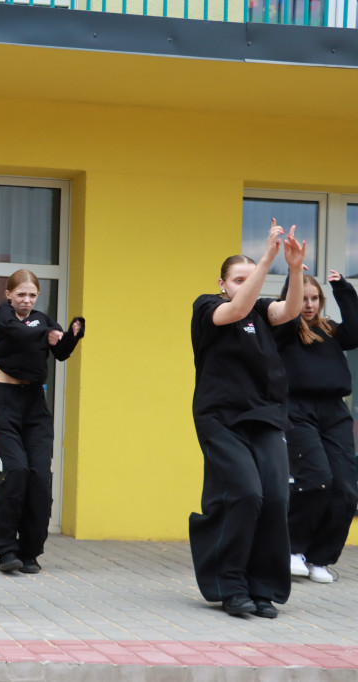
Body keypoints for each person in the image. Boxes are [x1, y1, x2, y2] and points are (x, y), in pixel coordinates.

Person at [189, 219, 305, 619]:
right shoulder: (208, 307)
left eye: (248, 276)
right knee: (245, 494)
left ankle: (263, 588)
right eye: (237, 278)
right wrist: (267, 259)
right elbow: (235, 309)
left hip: (265, 417)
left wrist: (292, 268)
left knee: (275, 497)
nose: (244, 284)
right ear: (222, 283)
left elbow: (289, 311)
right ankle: (231, 586)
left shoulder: (260, 310)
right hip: (219, 418)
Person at [0, 269, 84, 575]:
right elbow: (18, 333)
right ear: (9, 295)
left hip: (34, 405)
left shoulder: (43, 320)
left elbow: (60, 353)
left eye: (32, 295)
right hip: (5, 402)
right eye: (21, 294)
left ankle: (30, 550)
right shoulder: (3, 316)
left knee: (39, 477)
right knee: (17, 470)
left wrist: (71, 335)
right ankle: (5, 548)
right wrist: (47, 334)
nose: (26, 300)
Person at [278, 271, 358, 584]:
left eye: (314, 299)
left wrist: (342, 288)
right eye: (303, 298)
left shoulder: (330, 331)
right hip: (297, 410)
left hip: (334, 412)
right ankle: (292, 549)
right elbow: (285, 314)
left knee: (346, 490)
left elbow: (355, 331)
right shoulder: (283, 332)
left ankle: (319, 558)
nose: (309, 305)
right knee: (315, 479)